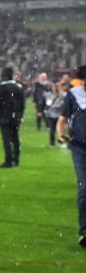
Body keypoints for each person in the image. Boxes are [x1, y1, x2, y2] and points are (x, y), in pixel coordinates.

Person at [54, 64, 86, 248]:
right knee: (84, 187)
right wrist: (61, 134)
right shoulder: (73, 95)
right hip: (79, 148)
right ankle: (84, 230)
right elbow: (62, 120)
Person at [0, 65, 25, 167]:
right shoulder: (19, 87)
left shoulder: (2, 87)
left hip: (5, 117)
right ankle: (16, 159)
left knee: (6, 139)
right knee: (15, 138)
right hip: (16, 116)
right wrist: (20, 115)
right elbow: (22, 104)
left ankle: (8, 160)